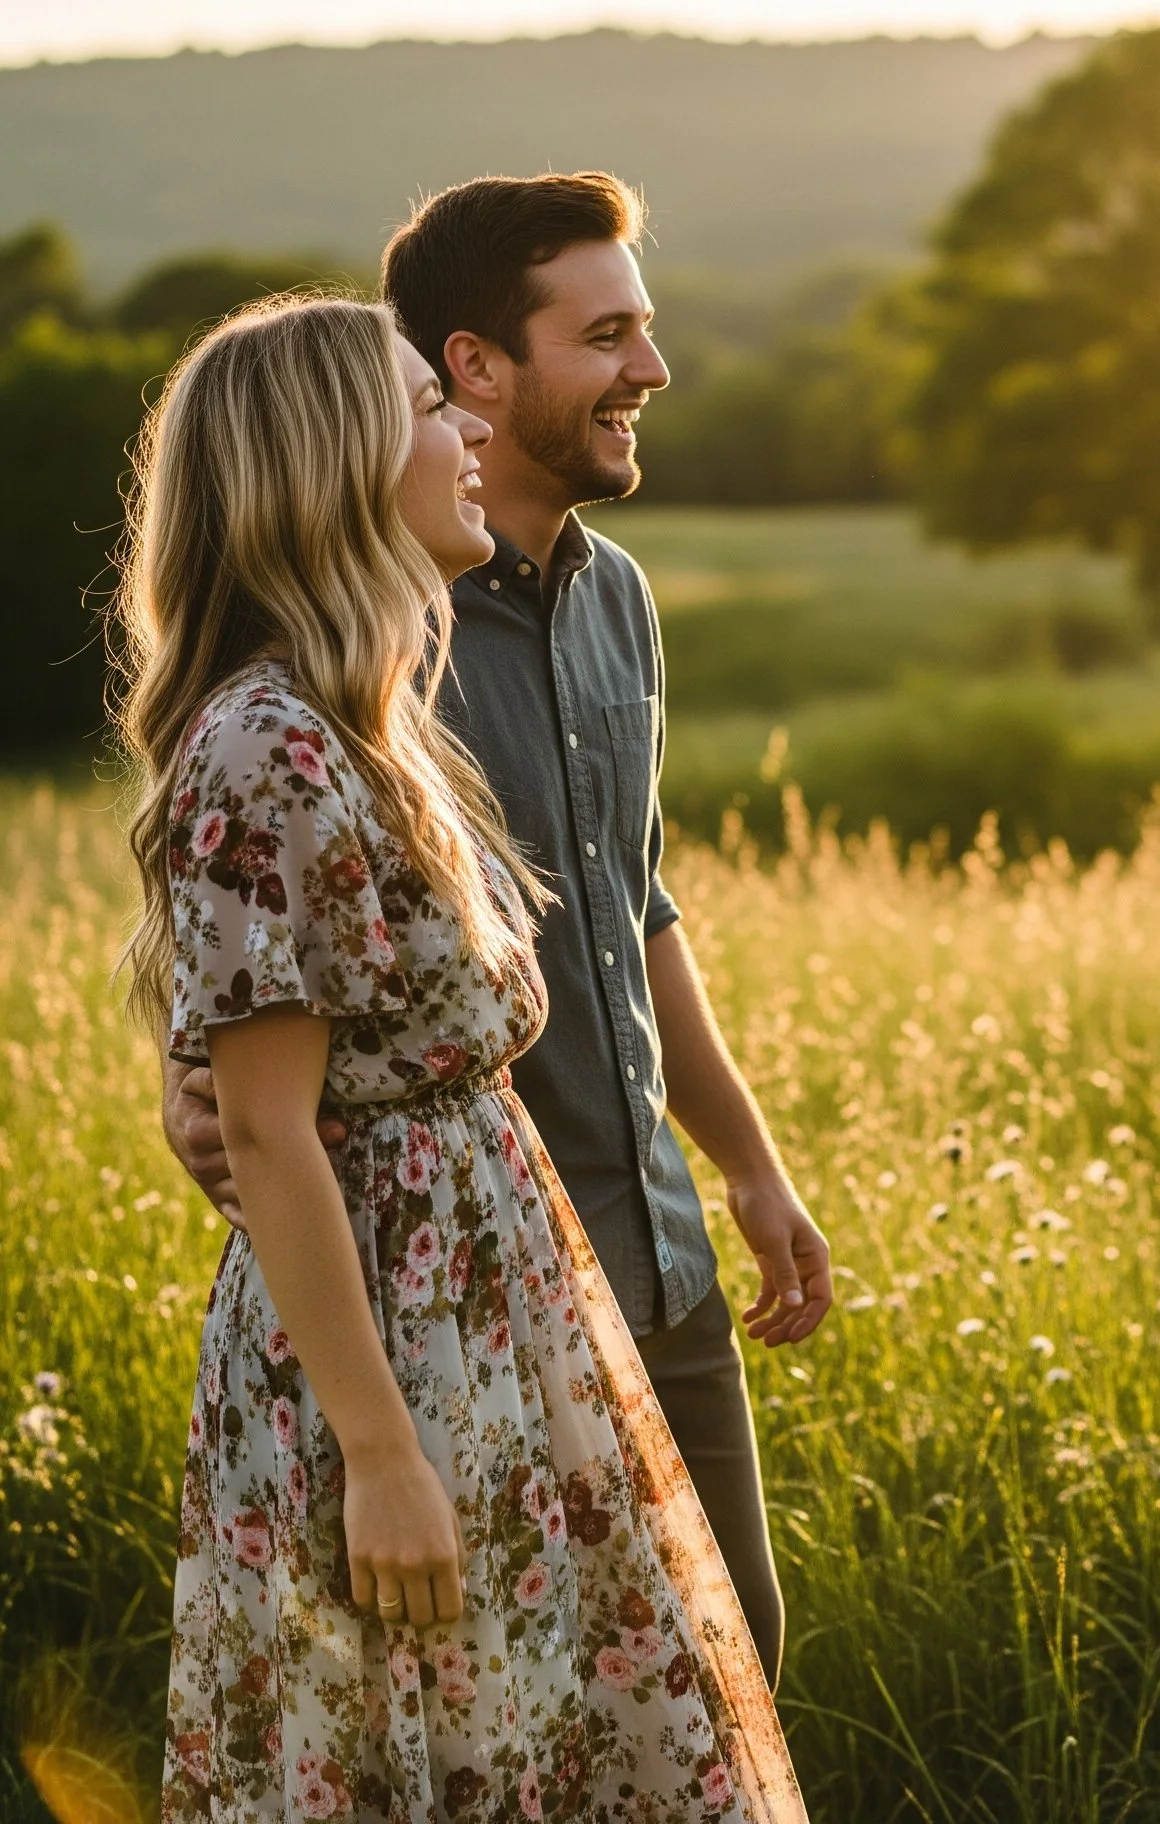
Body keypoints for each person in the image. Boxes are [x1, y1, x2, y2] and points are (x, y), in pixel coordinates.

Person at [120, 296, 803, 1818]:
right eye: (435, 406)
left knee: (568, 1742)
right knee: (446, 1752)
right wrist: (380, 1456)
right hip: (399, 1352)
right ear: (337, 462)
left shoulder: (375, 726)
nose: (472, 429)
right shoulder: (266, 745)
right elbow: (275, 1134)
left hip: (498, 1321)